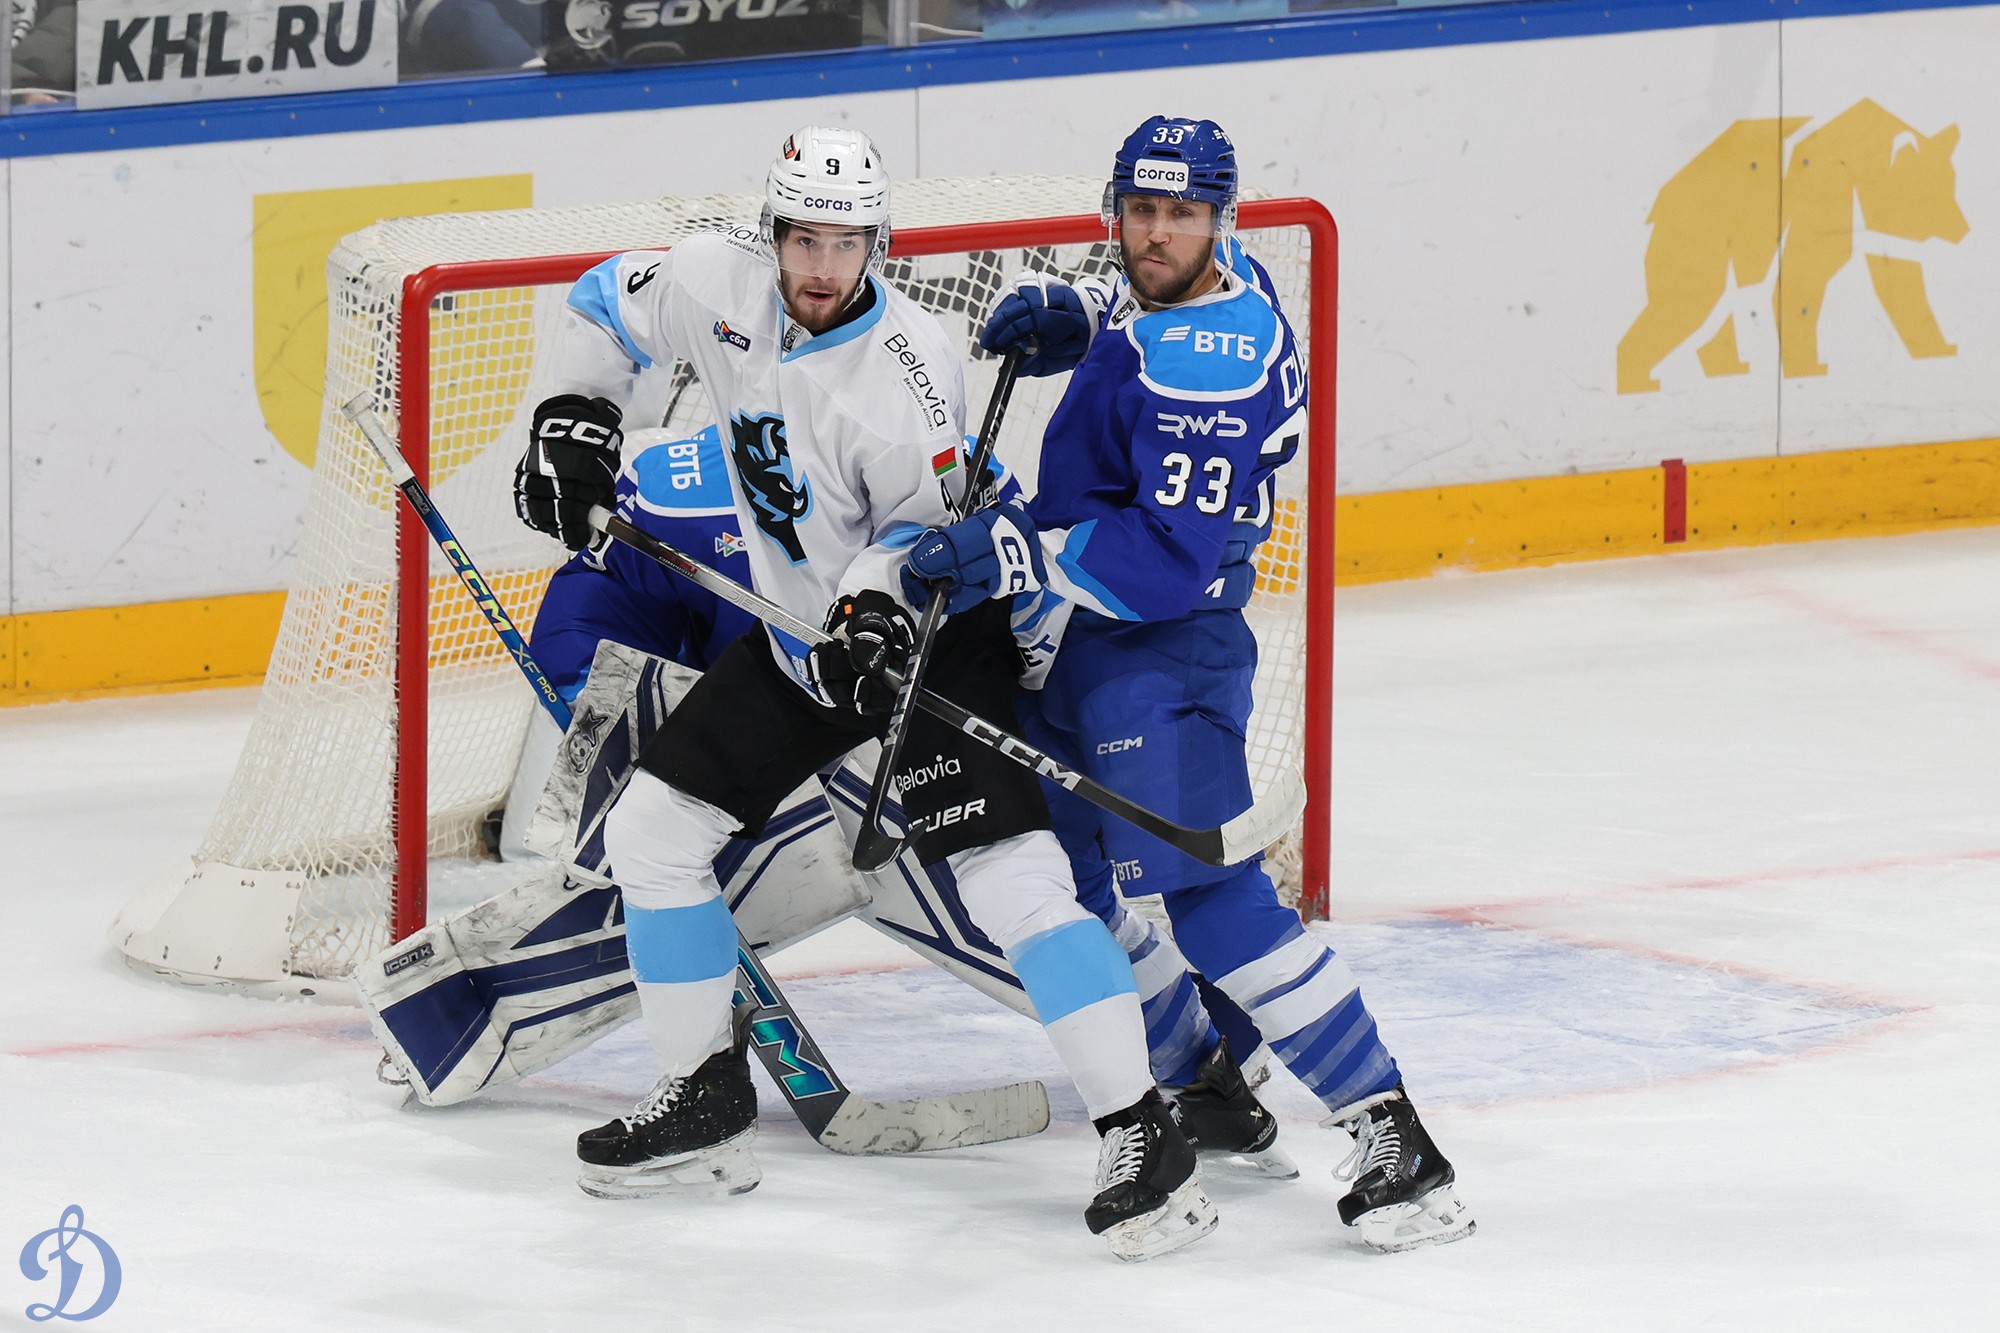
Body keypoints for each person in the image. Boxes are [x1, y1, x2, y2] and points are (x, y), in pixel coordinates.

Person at [511, 125, 1217, 1260]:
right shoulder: (712, 280)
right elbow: (603, 301)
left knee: (1013, 884)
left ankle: (1143, 1134)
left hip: (928, 639)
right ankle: (704, 1097)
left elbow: (923, 540)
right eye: (804, 238)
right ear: (772, 231)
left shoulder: (907, 372)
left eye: (846, 243)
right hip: (802, 639)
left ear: (877, 243)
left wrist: (877, 608)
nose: (823, 266)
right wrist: (574, 416)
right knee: (654, 832)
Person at [905, 115, 1477, 1253]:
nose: (1156, 233)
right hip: (1076, 644)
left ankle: (1392, 1134)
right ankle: (1204, 1083)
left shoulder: (1211, 366)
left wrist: (1011, 551)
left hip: (1158, 653)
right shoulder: (1197, 284)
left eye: (1181, 215)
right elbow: (1148, 323)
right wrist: (1085, 315)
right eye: (1141, 211)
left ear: (1221, 218)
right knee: (1065, 873)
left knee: (1210, 900)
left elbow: (1163, 559)